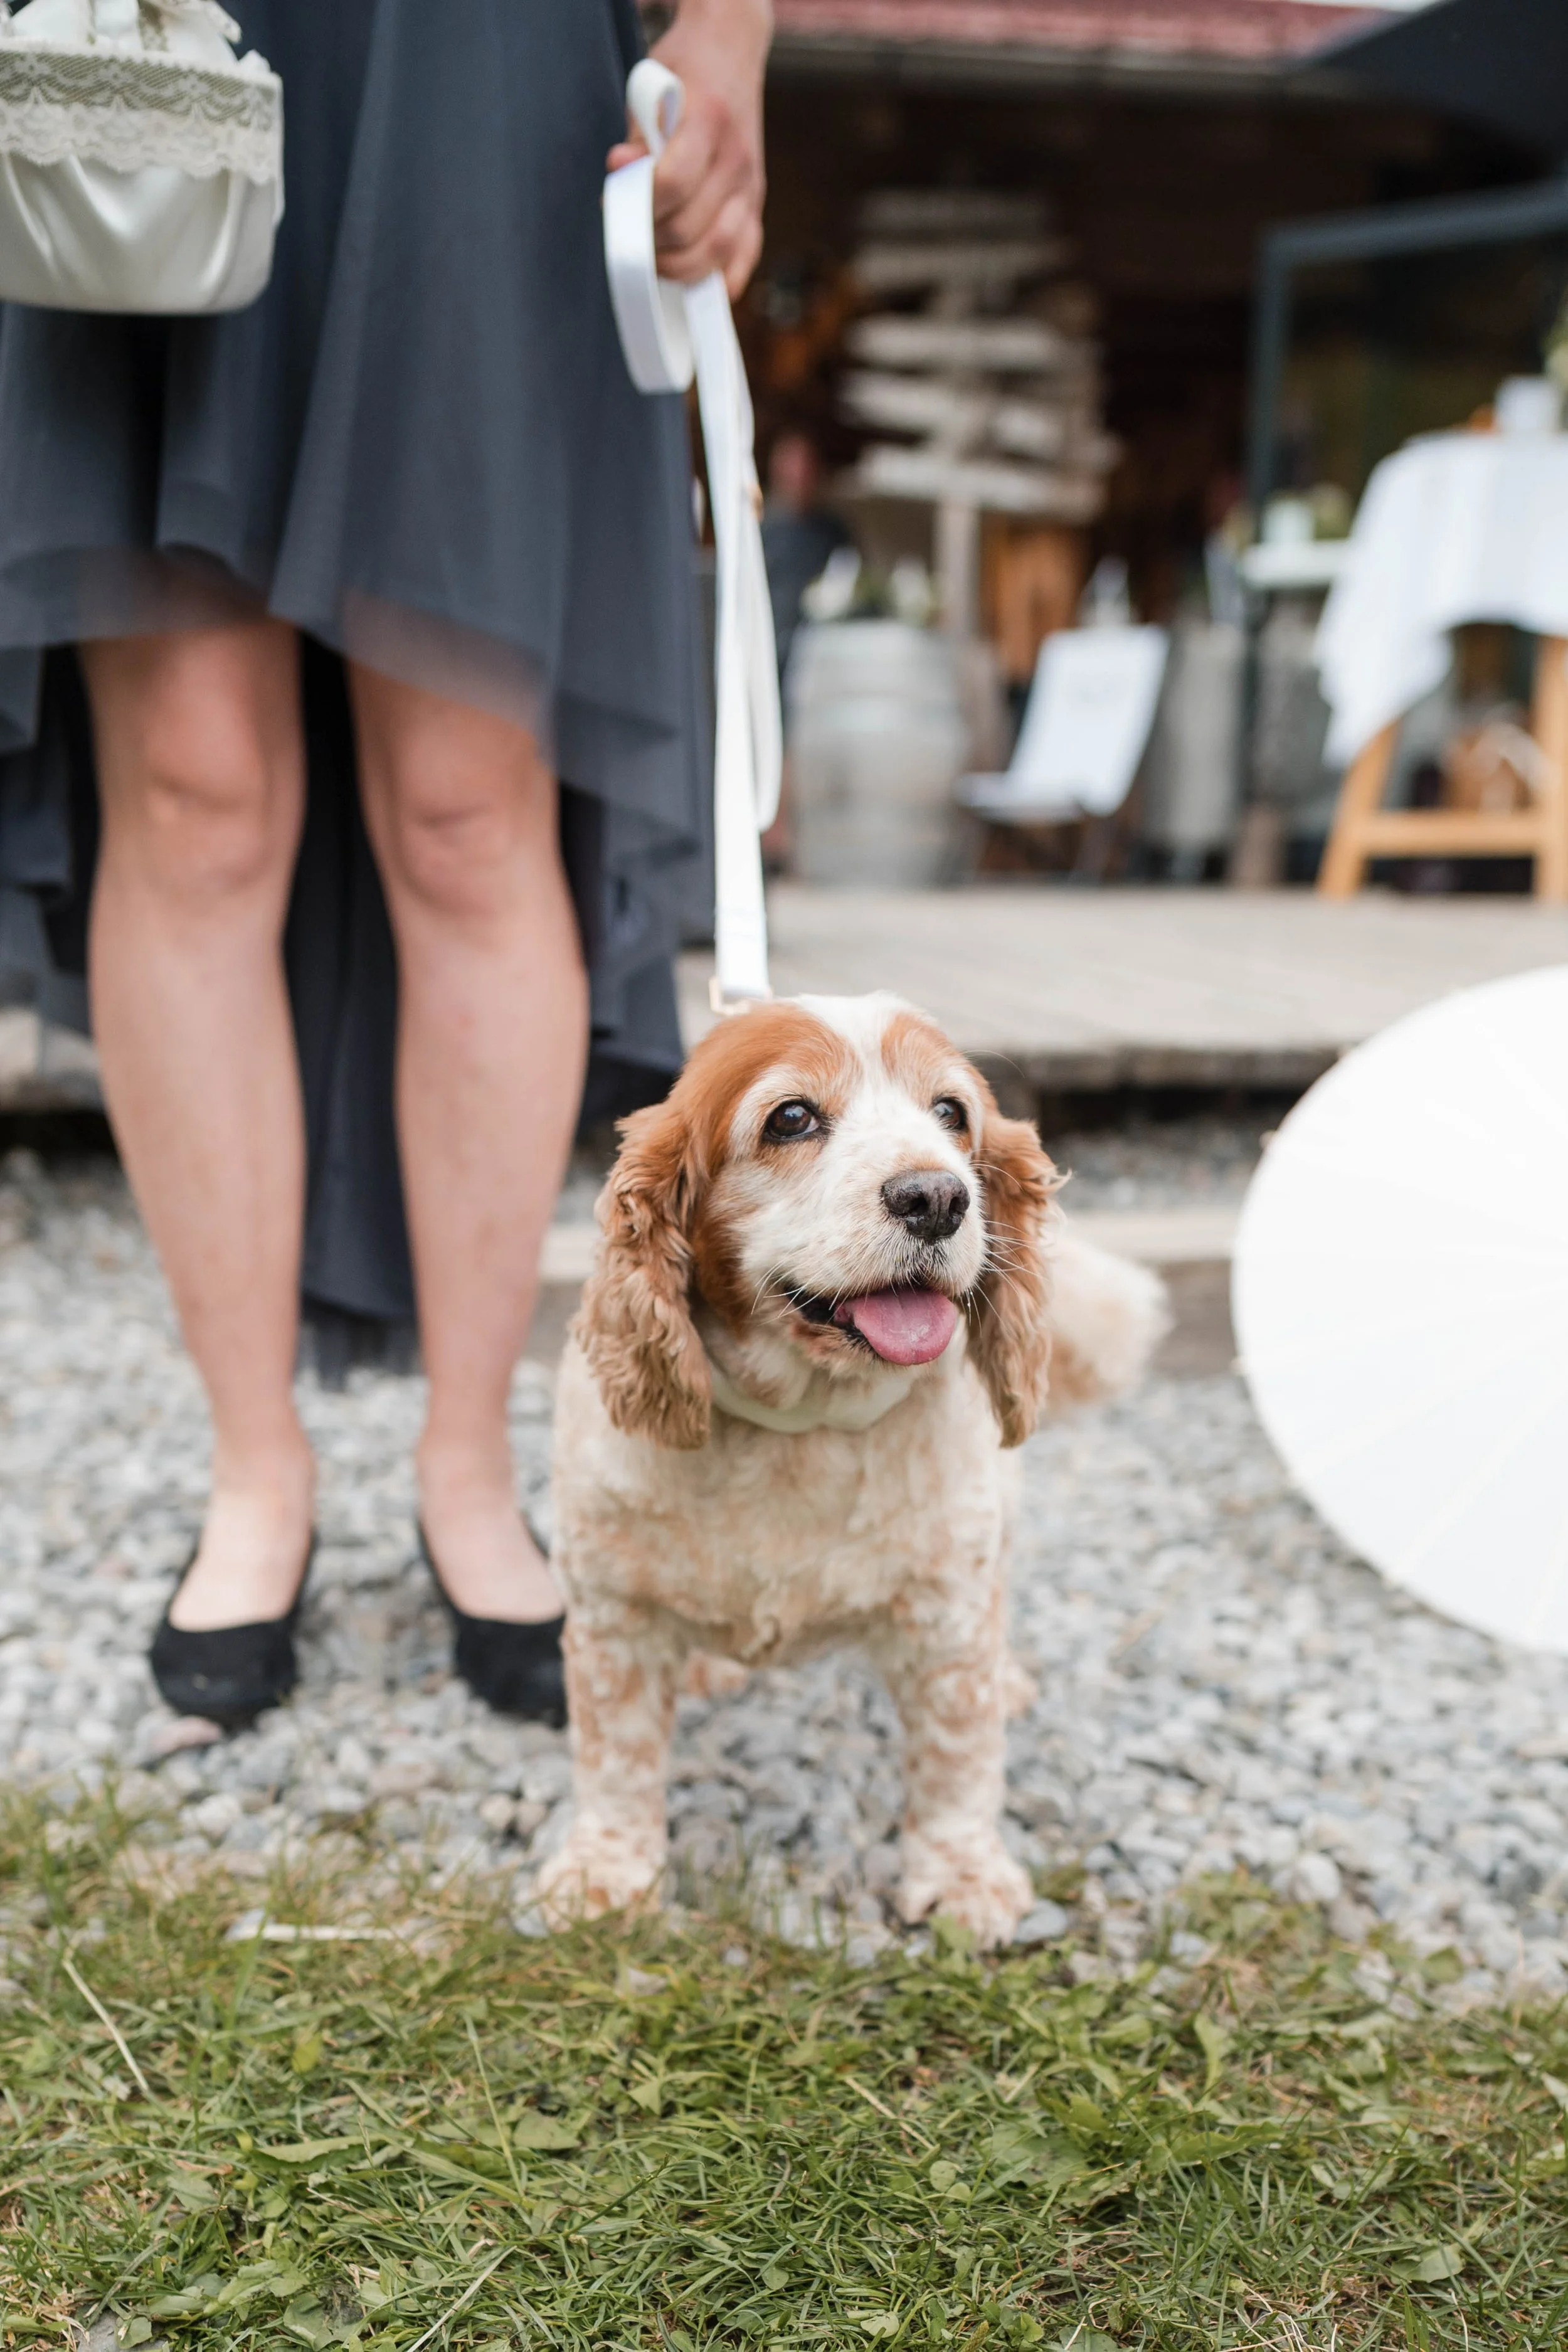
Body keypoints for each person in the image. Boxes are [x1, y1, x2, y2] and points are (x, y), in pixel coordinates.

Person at [0, 0, 771, 1729]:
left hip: (470, 53)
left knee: (464, 802)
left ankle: (466, 1465)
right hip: (146, 25)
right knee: (191, 784)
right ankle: (252, 1467)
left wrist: (728, 35)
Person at [760, 428, 855, 684]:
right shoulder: (761, 529)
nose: (800, 477)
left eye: (806, 468)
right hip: (767, 649)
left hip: (821, 655)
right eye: (794, 468)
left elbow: (851, 579)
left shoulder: (833, 531)